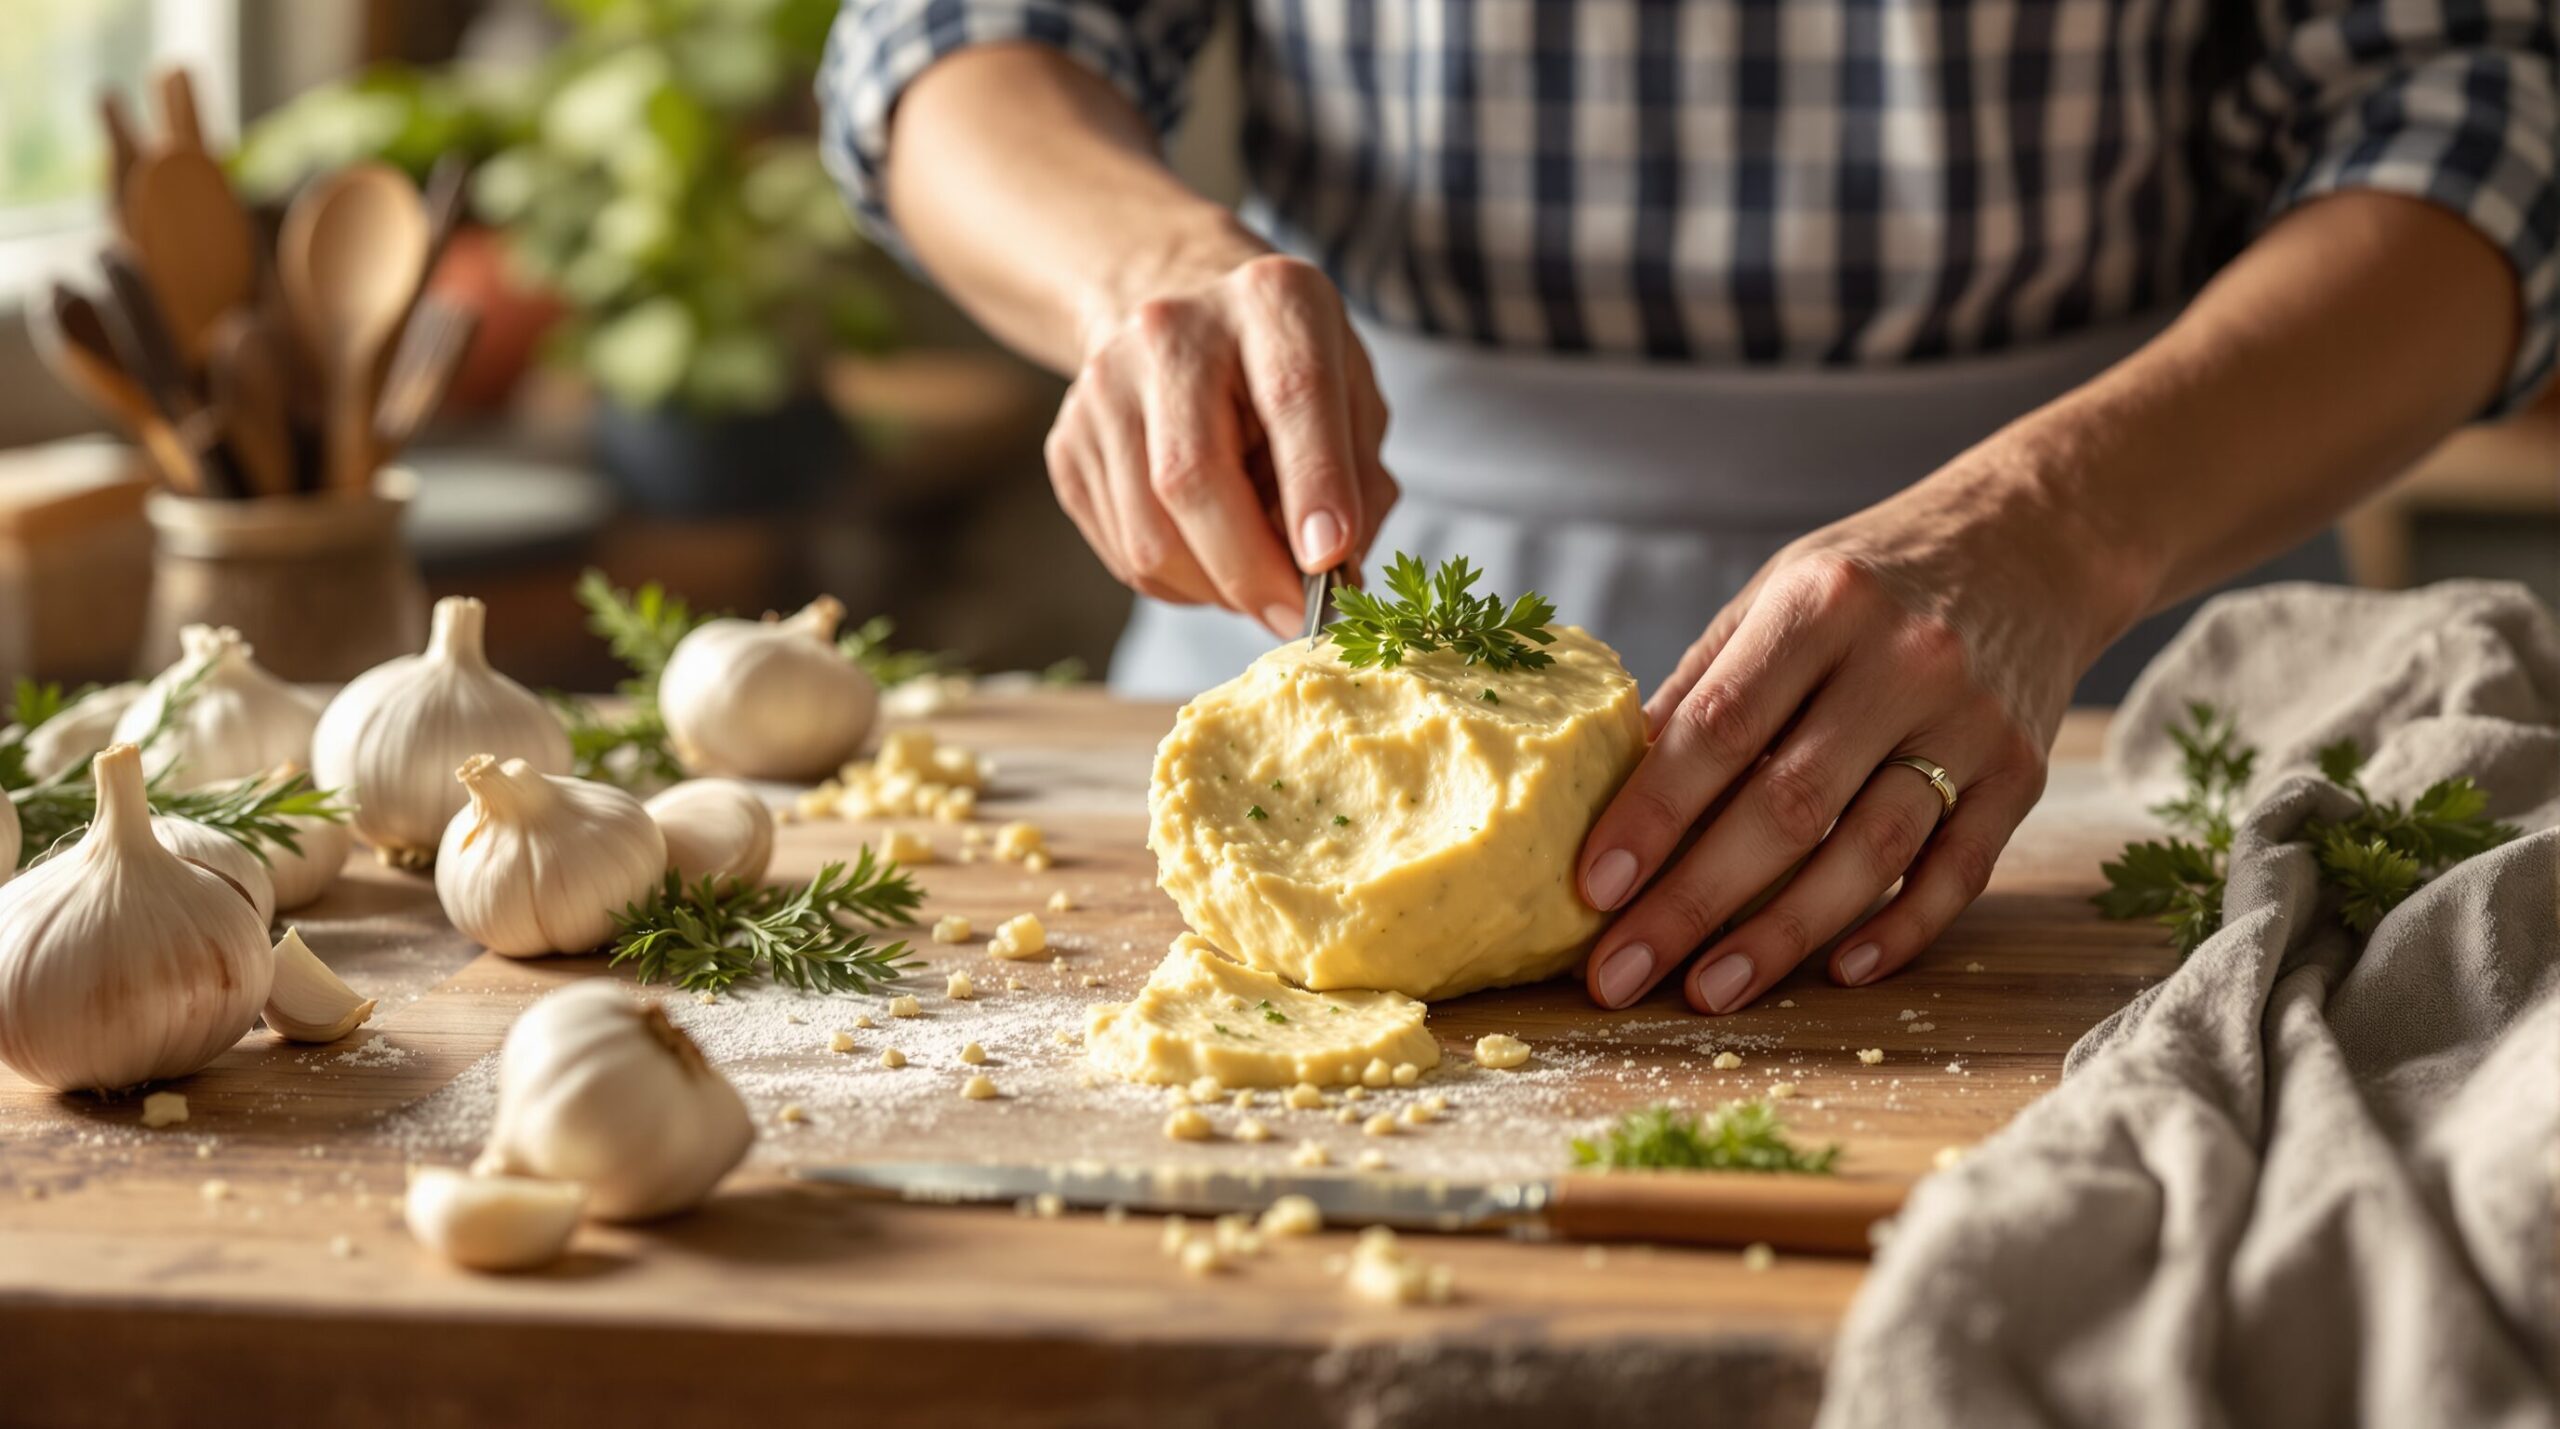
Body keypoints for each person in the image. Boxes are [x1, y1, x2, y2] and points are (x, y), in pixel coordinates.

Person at [819, 1, 2556, 1016]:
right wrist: (1142, 268)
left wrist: (2058, 525)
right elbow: (956, 31)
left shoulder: (2084, 562)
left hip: (2116, 629)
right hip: (1323, 566)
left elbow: (2483, 106)